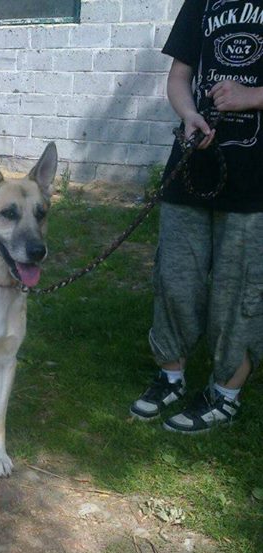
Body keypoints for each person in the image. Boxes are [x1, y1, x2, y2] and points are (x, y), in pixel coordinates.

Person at [130, 0, 263, 433]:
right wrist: (188, 114)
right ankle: (170, 378)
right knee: (175, 277)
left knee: (240, 289)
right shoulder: (201, 3)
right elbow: (179, 77)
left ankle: (225, 395)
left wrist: (252, 96)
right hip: (191, 168)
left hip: (254, 182)